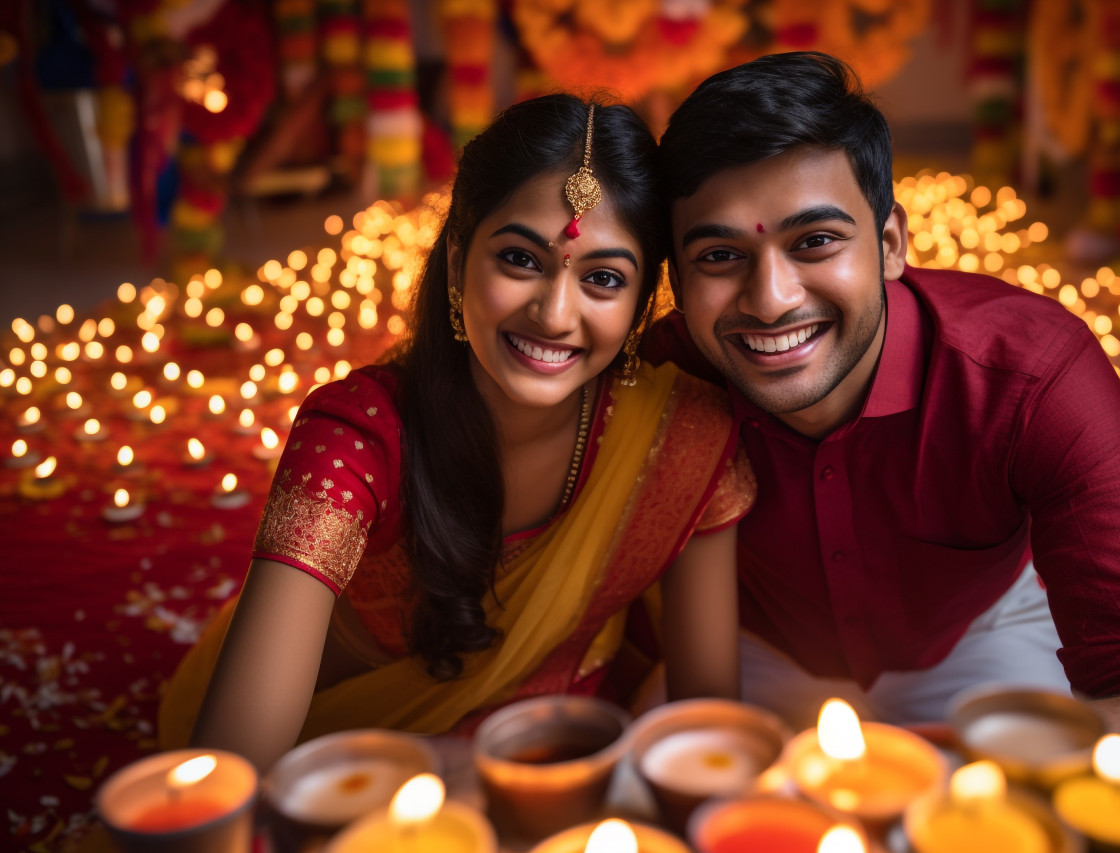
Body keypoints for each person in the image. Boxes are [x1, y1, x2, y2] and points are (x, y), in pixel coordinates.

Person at [646, 51, 1120, 728]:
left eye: (815, 240)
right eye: (720, 256)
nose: (771, 299)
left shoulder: (1028, 374)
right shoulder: (663, 378)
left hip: (976, 639)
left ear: (891, 244)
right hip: (751, 650)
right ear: (677, 277)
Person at [159, 94, 753, 772]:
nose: (556, 314)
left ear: (641, 304)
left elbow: (713, 730)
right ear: (456, 261)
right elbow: (237, 767)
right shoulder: (357, 437)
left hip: (557, 766)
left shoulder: (678, 440)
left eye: (604, 278)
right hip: (344, 772)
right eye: (520, 260)